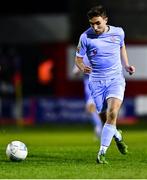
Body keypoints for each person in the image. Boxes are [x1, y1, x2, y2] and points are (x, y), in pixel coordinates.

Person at [75, 5, 135, 164]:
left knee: (112, 113)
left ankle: (102, 153)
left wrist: (126, 65)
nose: (94, 27)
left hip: (115, 79)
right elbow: (78, 59)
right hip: (96, 82)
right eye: (91, 24)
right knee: (104, 118)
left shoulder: (118, 32)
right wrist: (82, 67)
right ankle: (117, 135)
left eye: (98, 23)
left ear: (106, 20)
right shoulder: (85, 37)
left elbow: (122, 46)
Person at [73, 55, 102, 139]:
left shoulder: (91, 55)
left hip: (94, 83)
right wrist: (81, 69)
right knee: (89, 109)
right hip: (91, 83)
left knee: (91, 107)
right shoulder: (82, 57)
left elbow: (75, 72)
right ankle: (99, 126)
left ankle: (99, 127)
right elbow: (75, 72)